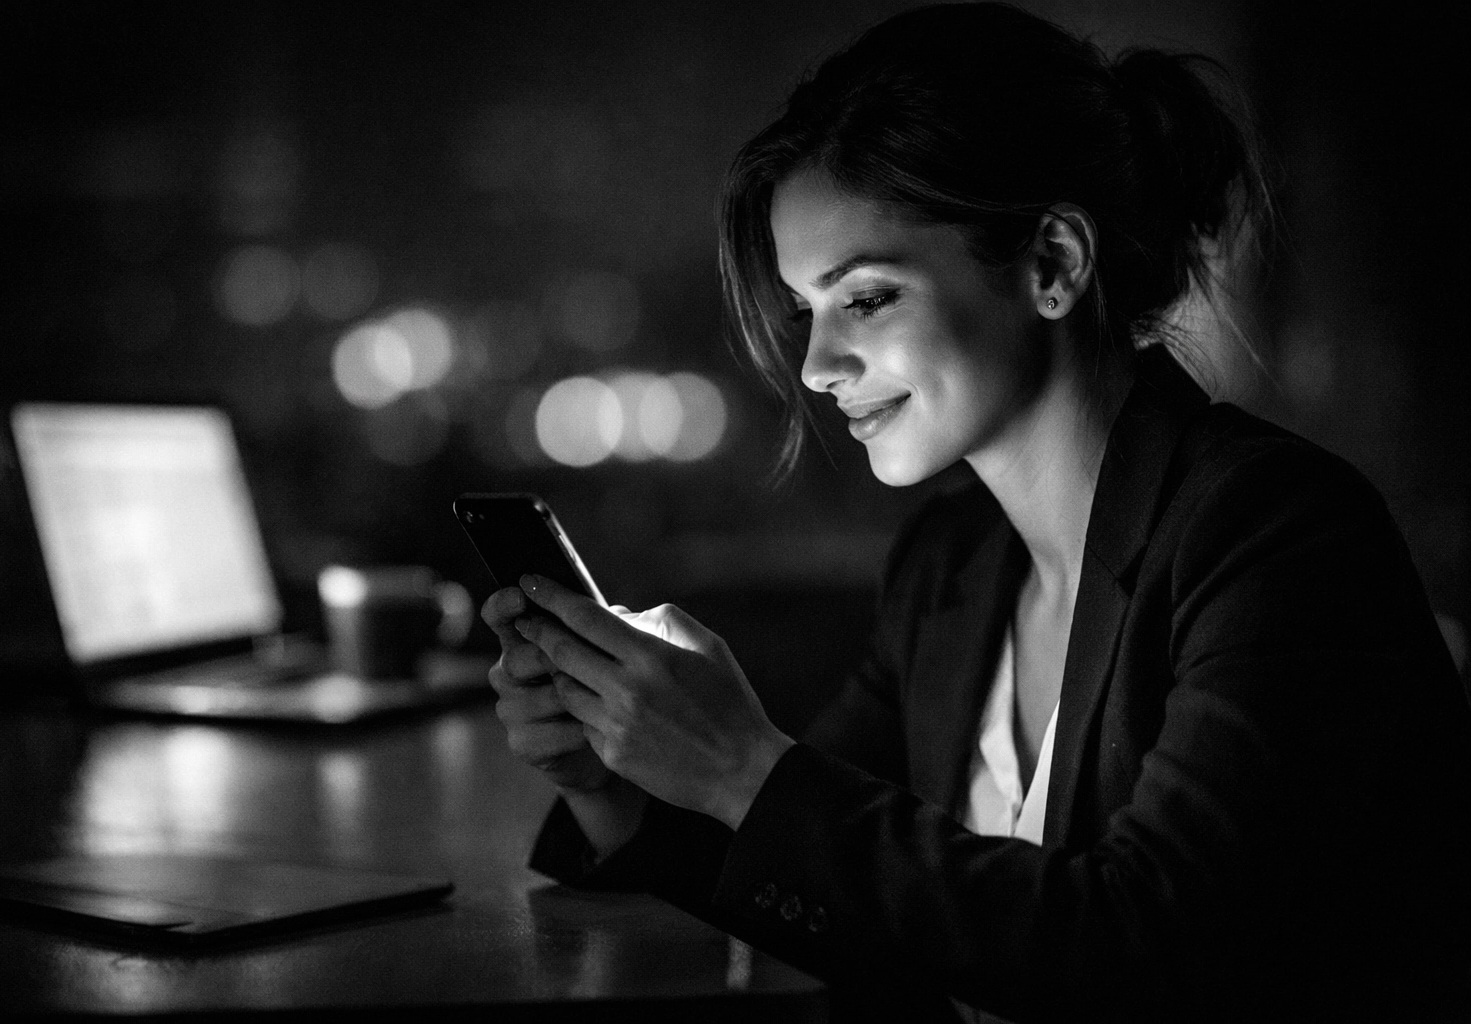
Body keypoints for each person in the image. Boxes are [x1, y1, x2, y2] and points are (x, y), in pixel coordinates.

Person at [481, 4, 1471, 1020]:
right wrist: (605, 770)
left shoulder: (1278, 536)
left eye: (865, 299)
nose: (819, 368)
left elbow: (1151, 946)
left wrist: (742, 761)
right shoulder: (951, 565)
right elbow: (826, 875)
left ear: (1052, 264)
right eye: (806, 312)